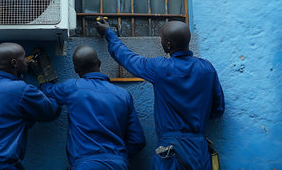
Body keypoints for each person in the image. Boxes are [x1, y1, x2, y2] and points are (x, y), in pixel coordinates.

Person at [95, 19, 225, 170]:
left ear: (168, 44)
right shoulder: (207, 68)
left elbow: (127, 58)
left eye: (162, 40)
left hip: (170, 153)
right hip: (199, 152)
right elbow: (218, 109)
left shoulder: (160, 68)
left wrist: (109, 33)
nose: (161, 42)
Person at [41, 45, 146, 170]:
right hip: (117, 164)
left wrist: (44, 78)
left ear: (75, 69)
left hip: (86, 164)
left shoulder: (72, 87)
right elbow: (138, 140)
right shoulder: (123, 95)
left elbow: (47, 92)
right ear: (99, 63)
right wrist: (117, 157)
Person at [0, 43, 60, 170]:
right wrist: (47, 81)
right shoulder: (21, 90)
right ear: (14, 63)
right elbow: (50, 111)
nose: (27, 60)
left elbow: (11, 110)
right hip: (4, 166)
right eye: (24, 57)